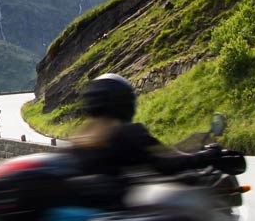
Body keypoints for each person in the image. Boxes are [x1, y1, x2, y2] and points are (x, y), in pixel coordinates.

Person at [70, 74, 219, 177]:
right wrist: (205, 156)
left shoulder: (78, 142)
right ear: (125, 103)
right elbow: (166, 160)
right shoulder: (129, 134)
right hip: (125, 213)